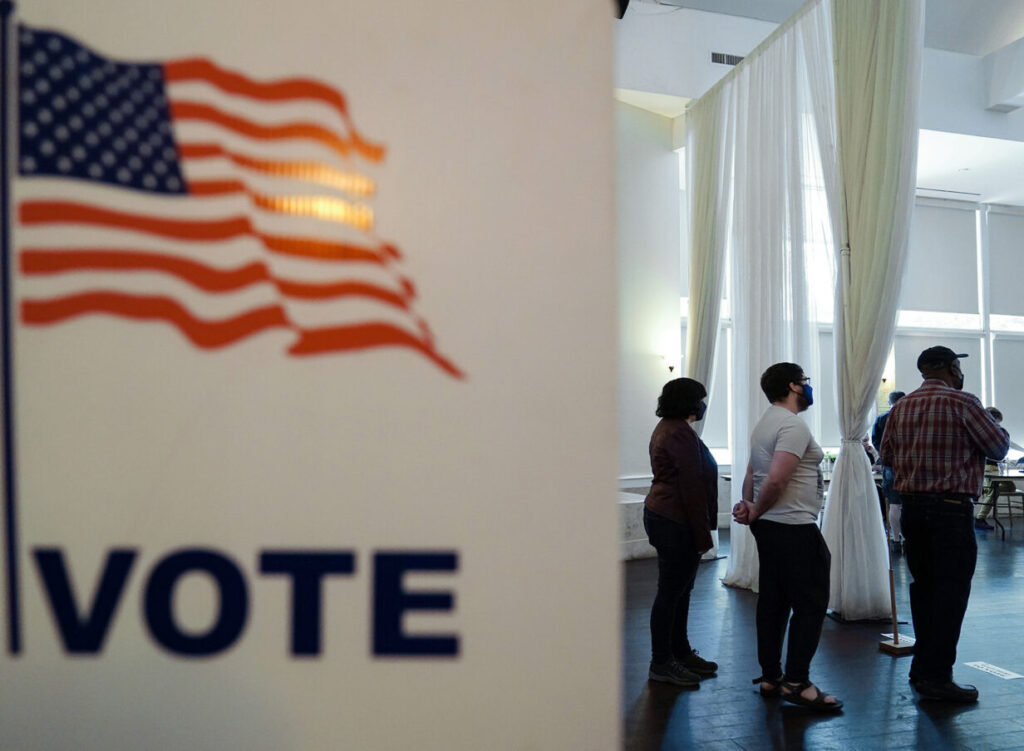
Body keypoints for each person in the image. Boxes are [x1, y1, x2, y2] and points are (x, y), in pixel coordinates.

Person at [880, 346, 1009, 703]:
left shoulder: (900, 408)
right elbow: (998, 449)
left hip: (912, 511)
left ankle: (922, 669)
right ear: (953, 368)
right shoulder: (965, 403)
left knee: (923, 590)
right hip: (951, 510)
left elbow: (886, 456)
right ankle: (938, 677)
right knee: (951, 594)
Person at [733, 363, 842, 712]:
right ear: (794, 386)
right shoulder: (791, 425)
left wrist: (750, 507)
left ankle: (770, 677)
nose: (809, 388)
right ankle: (797, 683)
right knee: (810, 604)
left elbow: (753, 472)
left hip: (772, 526)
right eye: (806, 383)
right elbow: (777, 479)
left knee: (774, 601)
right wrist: (756, 510)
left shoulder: (766, 422)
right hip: (793, 526)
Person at [643, 378, 720, 687]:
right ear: (688, 401)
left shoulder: (674, 428)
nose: (703, 404)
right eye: (699, 399)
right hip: (674, 519)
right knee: (671, 592)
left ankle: (680, 651)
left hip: (671, 516)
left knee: (680, 590)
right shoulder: (676, 432)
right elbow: (691, 486)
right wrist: (703, 534)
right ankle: (661, 662)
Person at [974, 408, 1022, 530]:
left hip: (993, 467)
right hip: (989, 468)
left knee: (1009, 487)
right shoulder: (986, 432)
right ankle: (980, 517)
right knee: (994, 489)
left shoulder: (988, 431)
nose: (998, 424)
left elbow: (1009, 444)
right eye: (997, 421)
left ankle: (982, 491)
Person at [873, 391, 906, 549]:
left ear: (889, 401)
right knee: (910, 504)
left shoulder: (881, 419)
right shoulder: (911, 416)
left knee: (894, 504)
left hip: (890, 466)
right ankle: (909, 538)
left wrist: (885, 458)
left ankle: (896, 538)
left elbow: (876, 441)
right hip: (911, 465)